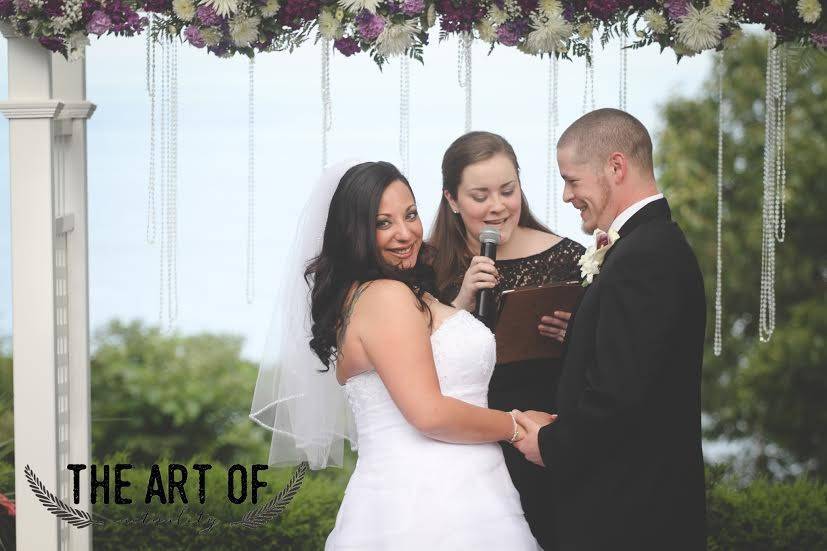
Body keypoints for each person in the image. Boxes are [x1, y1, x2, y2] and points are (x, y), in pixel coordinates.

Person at [250, 160, 543, 550]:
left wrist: (459, 306)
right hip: (430, 508)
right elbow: (429, 414)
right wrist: (518, 426)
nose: (406, 233)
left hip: (460, 494)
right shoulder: (386, 297)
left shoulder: (381, 295)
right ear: (354, 231)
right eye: (383, 223)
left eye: (411, 215)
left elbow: (429, 358)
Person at [513, 109, 707, 550]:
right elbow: (637, 369)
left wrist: (550, 442)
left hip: (633, 518)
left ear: (615, 167)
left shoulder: (645, 257)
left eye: (572, 179)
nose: (566, 195)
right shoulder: (646, 246)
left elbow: (620, 396)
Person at [429, 131, 585, 549]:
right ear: (452, 200)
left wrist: (577, 336)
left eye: (507, 190)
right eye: (480, 195)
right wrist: (460, 299)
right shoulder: (428, 266)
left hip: (541, 440)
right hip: (462, 441)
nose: (498, 206)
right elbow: (411, 362)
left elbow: (605, 365)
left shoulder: (570, 258)